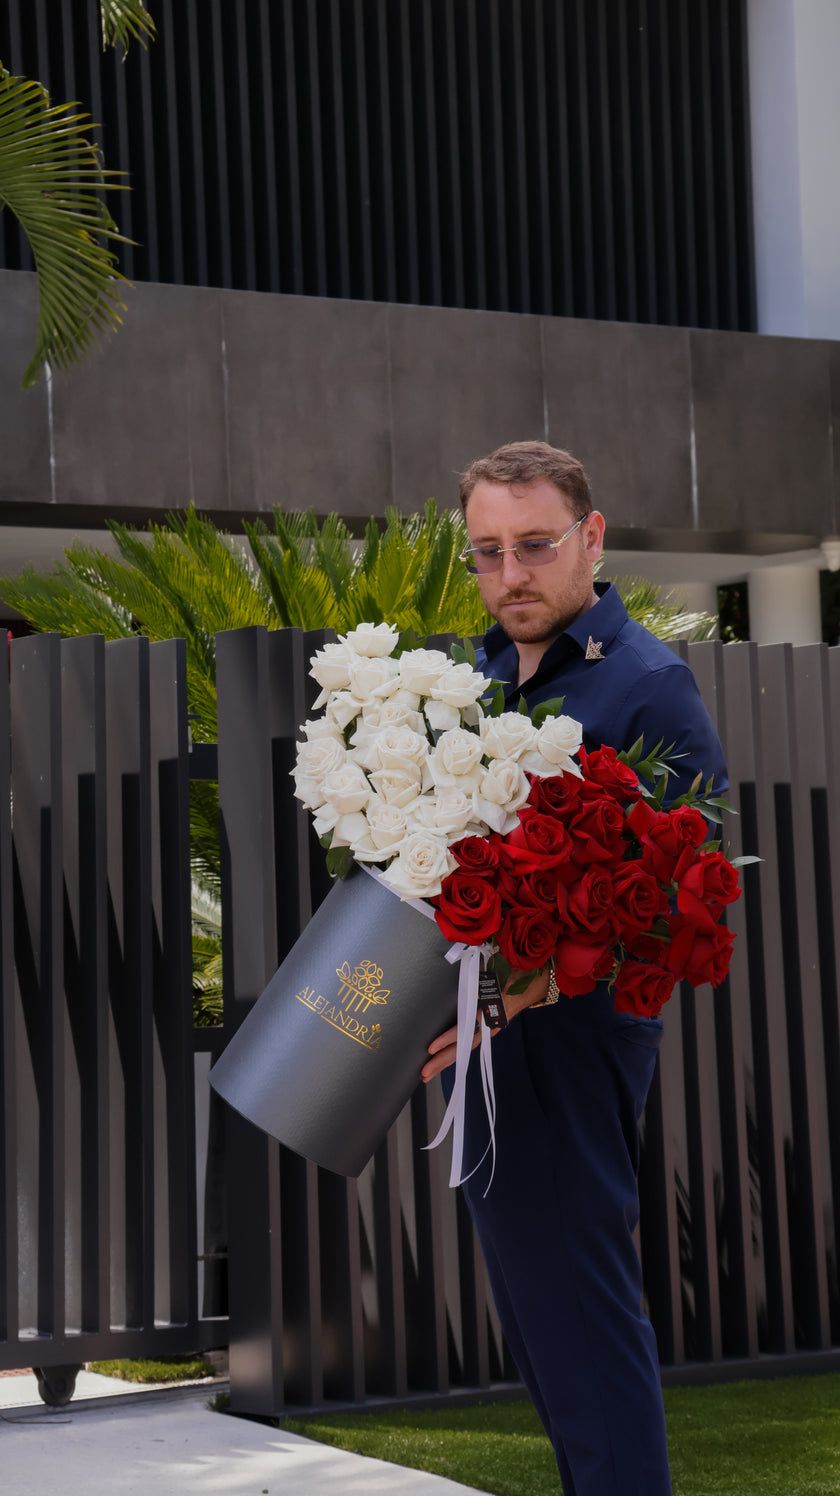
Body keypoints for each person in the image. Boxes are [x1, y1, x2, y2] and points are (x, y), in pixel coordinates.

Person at [421, 441, 727, 1496]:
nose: (511, 574)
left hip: (568, 1040)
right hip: (480, 1042)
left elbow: (689, 899)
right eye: (488, 550)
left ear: (591, 539)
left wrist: (522, 993)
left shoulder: (649, 685)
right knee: (546, 1321)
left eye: (536, 545)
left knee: (584, 1317)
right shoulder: (471, 682)